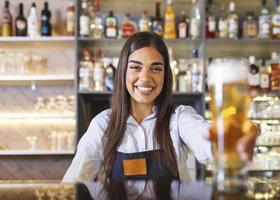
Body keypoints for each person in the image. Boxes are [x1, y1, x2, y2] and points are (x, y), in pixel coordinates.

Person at [63, 32, 258, 183]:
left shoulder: (179, 118)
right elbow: (74, 182)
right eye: (136, 67)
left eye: (156, 68)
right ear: (123, 71)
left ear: (166, 76)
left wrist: (232, 135)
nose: (145, 77)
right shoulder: (103, 124)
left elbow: (204, 138)